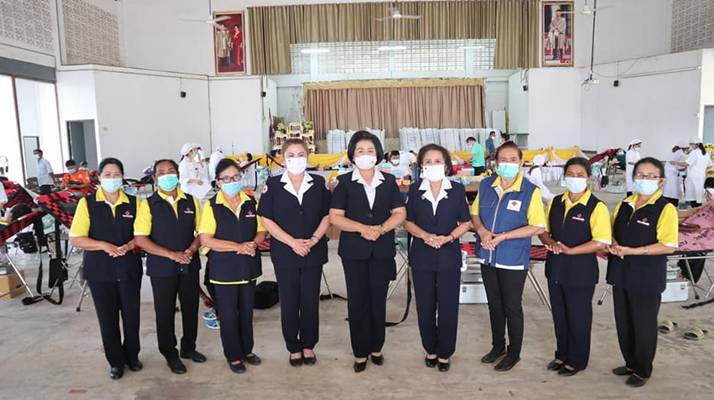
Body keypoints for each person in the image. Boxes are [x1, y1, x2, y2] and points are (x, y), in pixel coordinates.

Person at [329, 130, 406, 373]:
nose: (365, 154)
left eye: (370, 150)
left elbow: (399, 213)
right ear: (352, 155)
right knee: (357, 301)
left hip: (381, 249)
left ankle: (376, 347)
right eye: (360, 150)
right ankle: (360, 351)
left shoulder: (389, 181)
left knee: (378, 300)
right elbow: (336, 217)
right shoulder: (344, 182)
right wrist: (363, 229)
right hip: (354, 251)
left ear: (378, 154)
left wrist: (380, 229)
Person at [470, 141, 546, 372]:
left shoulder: (530, 191)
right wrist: (482, 231)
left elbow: (538, 226)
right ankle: (497, 347)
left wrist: (504, 237)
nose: (508, 163)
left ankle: (514, 353)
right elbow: (475, 213)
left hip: (513, 258)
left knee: (512, 307)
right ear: (495, 162)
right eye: (503, 159)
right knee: (494, 306)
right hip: (488, 254)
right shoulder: (486, 185)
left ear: (521, 162)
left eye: (513, 159)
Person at [257, 138, 331, 367]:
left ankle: (309, 345)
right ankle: (293, 346)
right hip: (285, 253)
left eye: (301, 155)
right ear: (283, 157)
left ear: (308, 157)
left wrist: (313, 239)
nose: (296, 159)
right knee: (289, 301)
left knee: (310, 300)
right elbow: (267, 220)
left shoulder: (318, 183)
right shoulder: (273, 184)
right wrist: (292, 243)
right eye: (291, 155)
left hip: (313, 250)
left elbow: (327, 215)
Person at [606, 157, 678, 388]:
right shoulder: (625, 204)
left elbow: (668, 245)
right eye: (640, 175)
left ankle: (643, 369)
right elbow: (612, 230)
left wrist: (633, 251)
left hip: (646, 276)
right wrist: (613, 243)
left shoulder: (665, 209)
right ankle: (630, 363)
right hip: (621, 272)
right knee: (624, 321)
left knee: (643, 324)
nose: (645, 179)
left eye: (651, 176)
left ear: (661, 181)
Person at [69, 158, 142, 380]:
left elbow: (143, 235)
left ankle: (132, 356)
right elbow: (76, 238)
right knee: (107, 319)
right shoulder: (87, 204)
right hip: (99, 271)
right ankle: (116, 362)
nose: (112, 178)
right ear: (99, 178)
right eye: (107, 175)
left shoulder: (135, 203)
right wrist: (103, 245)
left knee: (131, 316)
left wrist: (130, 245)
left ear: (123, 177)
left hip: (129, 268)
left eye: (116, 174)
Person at [538, 157, 611, 377]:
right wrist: (550, 242)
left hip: (581, 271)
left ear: (588, 178)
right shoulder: (556, 202)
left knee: (578, 316)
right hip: (556, 267)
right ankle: (561, 354)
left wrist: (570, 250)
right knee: (559, 314)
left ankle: (577, 360)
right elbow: (543, 230)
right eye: (570, 174)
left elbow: (601, 241)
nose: (574, 178)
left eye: (580, 175)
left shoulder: (596, 207)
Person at [133, 159, 206, 375]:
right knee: (164, 312)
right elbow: (140, 239)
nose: (167, 175)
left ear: (178, 175)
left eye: (171, 171)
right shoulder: (147, 205)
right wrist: (171, 255)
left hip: (189, 264)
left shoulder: (191, 202)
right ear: (155, 178)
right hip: (162, 268)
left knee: (191, 308)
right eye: (162, 172)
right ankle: (169, 353)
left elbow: (202, 232)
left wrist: (191, 250)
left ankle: (188, 347)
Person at [404, 144, 472, 372]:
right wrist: (425, 236)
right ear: (421, 166)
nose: (433, 165)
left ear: (446, 165)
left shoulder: (457, 190)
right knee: (424, 305)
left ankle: (445, 352)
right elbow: (408, 222)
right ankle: (430, 349)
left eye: (438, 161)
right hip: (422, 255)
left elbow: (465, 222)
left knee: (448, 305)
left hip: (448, 254)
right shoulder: (415, 190)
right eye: (428, 161)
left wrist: (448, 237)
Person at [198, 158, 267, 374]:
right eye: (226, 178)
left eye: (235, 177)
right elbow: (206, 239)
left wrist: (253, 243)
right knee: (228, 315)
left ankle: (247, 350)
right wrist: (237, 247)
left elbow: (261, 230)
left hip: (248, 267)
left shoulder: (251, 201)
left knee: (246, 313)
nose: (231, 181)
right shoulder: (212, 206)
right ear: (218, 182)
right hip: (223, 270)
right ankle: (234, 356)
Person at [682, 138, 709, 208]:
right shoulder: (706, 153)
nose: (691, 146)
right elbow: (709, 165)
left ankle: (695, 211)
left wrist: (676, 163)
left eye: (691, 144)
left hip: (693, 177)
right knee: (699, 196)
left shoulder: (694, 152)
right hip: (701, 177)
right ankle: (698, 210)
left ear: (696, 144)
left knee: (693, 196)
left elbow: (687, 163)